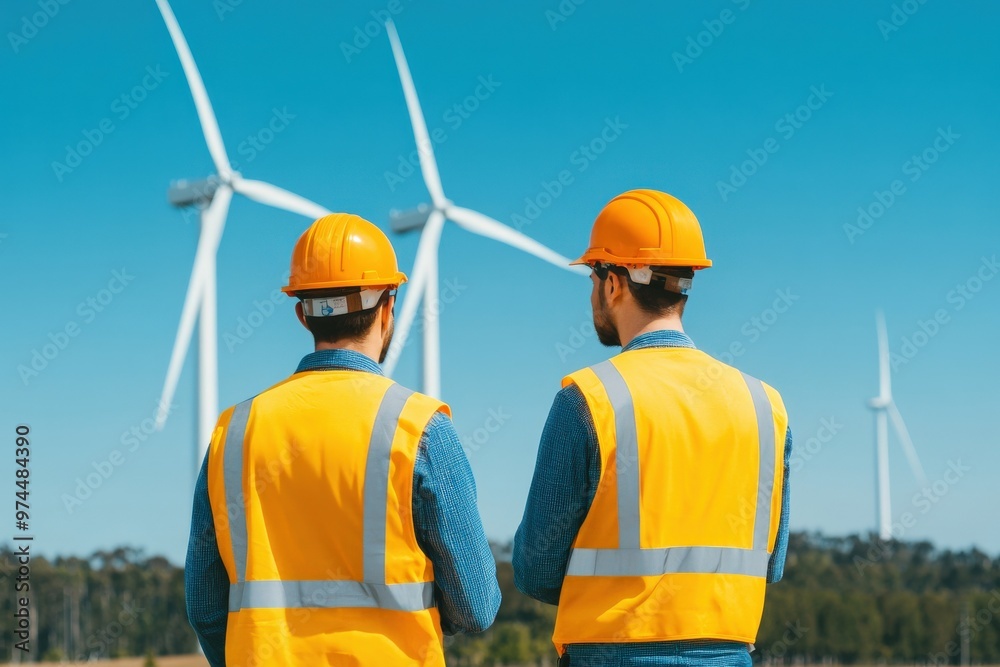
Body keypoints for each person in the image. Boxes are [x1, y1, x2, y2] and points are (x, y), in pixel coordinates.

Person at [185, 213, 500, 666]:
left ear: (300, 313)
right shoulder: (419, 427)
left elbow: (206, 608)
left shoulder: (232, 433)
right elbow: (476, 607)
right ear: (389, 306)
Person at [513, 189, 791, 666]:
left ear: (614, 283)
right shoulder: (765, 405)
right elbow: (772, 564)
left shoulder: (589, 399)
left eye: (594, 275)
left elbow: (536, 569)